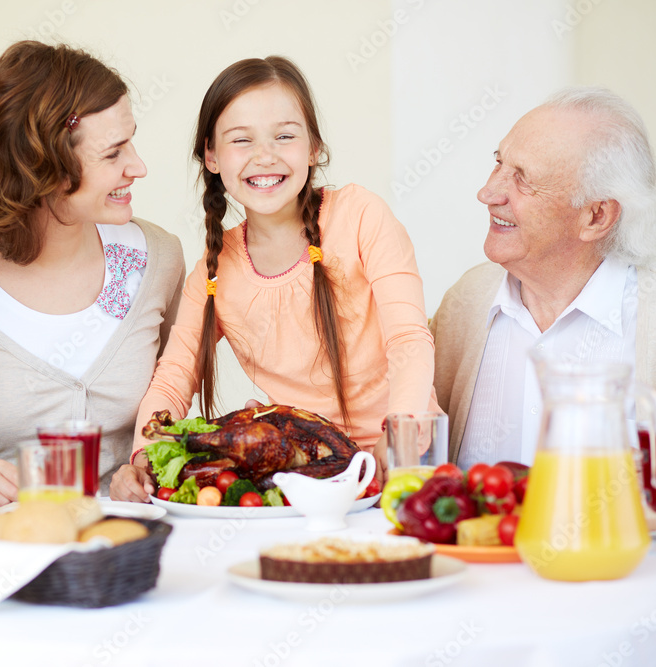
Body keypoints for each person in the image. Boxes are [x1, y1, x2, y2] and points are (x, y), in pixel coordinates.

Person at [110, 56, 439, 502]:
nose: (265, 156)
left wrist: (399, 437)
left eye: (285, 136)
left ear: (313, 148)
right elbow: (174, 376)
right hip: (306, 478)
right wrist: (144, 459)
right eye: (241, 140)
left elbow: (410, 340)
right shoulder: (214, 267)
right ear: (211, 155)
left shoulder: (361, 215)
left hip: (404, 460)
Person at [0, 41, 184, 508]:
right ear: (41, 167)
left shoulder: (156, 260)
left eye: (130, 142)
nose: (138, 167)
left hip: (126, 551)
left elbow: (172, 426)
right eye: (113, 154)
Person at [430, 87, 656, 469]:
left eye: (523, 179)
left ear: (596, 216)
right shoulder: (465, 302)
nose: (488, 192)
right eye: (499, 163)